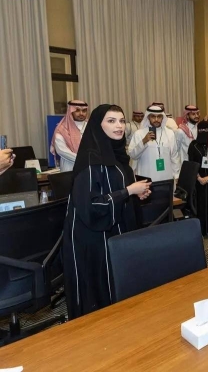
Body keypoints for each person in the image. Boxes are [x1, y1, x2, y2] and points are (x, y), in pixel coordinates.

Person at [62, 104, 151, 319]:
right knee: (99, 302)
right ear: (97, 125)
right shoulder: (92, 161)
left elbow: (116, 187)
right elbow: (92, 206)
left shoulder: (116, 155)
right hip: (93, 241)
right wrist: (128, 190)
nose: (119, 126)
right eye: (111, 121)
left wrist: (133, 194)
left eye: (121, 120)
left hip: (112, 233)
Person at [128, 104, 181, 182]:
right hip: (146, 176)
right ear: (148, 117)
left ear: (162, 117)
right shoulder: (139, 134)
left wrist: (176, 175)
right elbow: (132, 155)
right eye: (153, 116)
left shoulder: (170, 133)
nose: (156, 119)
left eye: (159, 116)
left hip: (166, 176)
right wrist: (144, 141)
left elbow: (174, 156)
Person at [187, 119, 208, 237]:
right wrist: (199, 178)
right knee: (199, 204)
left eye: (206, 130)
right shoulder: (193, 145)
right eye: (202, 130)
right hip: (198, 182)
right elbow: (191, 162)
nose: (204, 133)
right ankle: (201, 230)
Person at [50, 100, 89, 172]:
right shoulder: (62, 129)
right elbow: (62, 151)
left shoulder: (91, 126)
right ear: (70, 111)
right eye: (77, 110)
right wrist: (85, 159)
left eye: (84, 111)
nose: (81, 113)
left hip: (89, 169)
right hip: (69, 169)